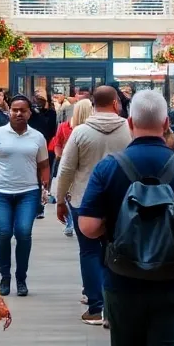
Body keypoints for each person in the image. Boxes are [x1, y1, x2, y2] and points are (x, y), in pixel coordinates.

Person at [77, 90, 174, 346]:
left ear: (131, 122)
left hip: (122, 280)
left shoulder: (109, 168)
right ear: (165, 123)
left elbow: (88, 227)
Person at [56, 85, 132, 325]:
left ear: (92, 105)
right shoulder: (129, 130)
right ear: (116, 103)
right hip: (122, 201)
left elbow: (66, 168)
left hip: (83, 199)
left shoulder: (80, 132)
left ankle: (95, 306)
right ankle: (116, 305)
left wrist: (59, 199)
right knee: (118, 251)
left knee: (89, 252)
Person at [0, 94, 50, 297]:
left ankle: (21, 278)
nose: (18, 113)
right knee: (3, 234)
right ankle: (5, 277)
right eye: (15, 110)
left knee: (23, 233)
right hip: (1, 192)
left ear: (29, 113)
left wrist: (45, 189)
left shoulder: (37, 137)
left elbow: (44, 165)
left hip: (28, 192)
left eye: (23, 110)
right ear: (9, 111)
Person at [55, 98, 92, 237]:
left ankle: (76, 221)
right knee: (69, 195)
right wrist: (60, 155)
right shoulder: (64, 126)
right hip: (70, 164)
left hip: (82, 167)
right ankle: (71, 222)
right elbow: (57, 142)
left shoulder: (90, 130)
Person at [31, 94, 60, 218]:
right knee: (36, 179)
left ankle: (38, 206)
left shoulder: (50, 114)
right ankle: (37, 206)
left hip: (45, 148)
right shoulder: (34, 116)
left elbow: (52, 131)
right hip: (40, 148)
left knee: (38, 178)